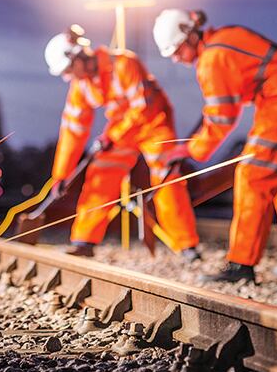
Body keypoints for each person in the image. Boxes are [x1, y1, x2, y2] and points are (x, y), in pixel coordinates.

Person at [153, 9, 277, 282]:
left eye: (176, 50)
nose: (175, 58)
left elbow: (221, 118)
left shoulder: (212, 58)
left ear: (189, 36)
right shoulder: (222, 40)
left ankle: (241, 264)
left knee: (252, 175)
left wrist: (190, 150)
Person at [44, 25, 200, 259]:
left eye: (68, 70)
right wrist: (61, 175)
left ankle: (187, 245)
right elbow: (72, 130)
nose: (68, 77)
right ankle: (84, 241)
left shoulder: (124, 63)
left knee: (166, 177)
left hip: (153, 122)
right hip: (121, 129)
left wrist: (112, 136)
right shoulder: (81, 86)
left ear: (79, 57)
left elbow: (142, 107)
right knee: (100, 173)